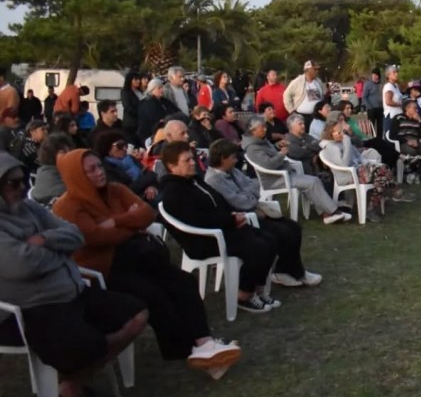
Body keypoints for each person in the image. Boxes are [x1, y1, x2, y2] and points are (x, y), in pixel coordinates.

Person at [52, 149, 241, 378]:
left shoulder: (116, 190)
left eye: (99, 166)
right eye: (90, 170)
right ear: (76, 175)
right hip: (105, 268)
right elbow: (95, 237)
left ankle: (204, 342)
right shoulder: (68, 206)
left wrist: (115, 221)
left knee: (183, 281)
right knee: (153, 294)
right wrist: (131, 227)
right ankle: (184, 349)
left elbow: (147, 213)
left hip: (139, 257)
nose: (99, 172)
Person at [0, 151, 149, 397]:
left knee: (136, 314)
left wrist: (44, 240)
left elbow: (75, 234)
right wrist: (59, 252)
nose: (22, 188)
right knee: (89, 344)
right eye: (13, 184)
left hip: (73, 290)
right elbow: (22, 265)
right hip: (32, 306)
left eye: (23, 180)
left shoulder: (30, 207)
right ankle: (72, 388)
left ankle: (71, 382)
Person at [159, 142, 281, 314]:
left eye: (192, 159)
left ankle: (257, 289)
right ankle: (243, 295)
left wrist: (232, 216)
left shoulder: (194, 181)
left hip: (223, 229)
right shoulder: (173, 191)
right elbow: (197, 219)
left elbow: (218, 202)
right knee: (256, 247)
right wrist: (230, 220)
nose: (193, 163)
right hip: (204, 240)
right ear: (172, 166)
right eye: (187, 161)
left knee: (269, 238)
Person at [205, 139, 323, 285]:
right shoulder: (214, 180)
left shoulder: (233, 171)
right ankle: (292, 272)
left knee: (293, 227)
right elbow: (240, 202)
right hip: (243, 218)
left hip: (255, 209)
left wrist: (247, 193)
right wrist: (249, 194)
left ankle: (287, 270)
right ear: (223, 158)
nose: (236, 161)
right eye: (233, 157)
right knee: (283, 232)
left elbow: (254, 184)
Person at [241, 117, 350, 225]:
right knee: (312, 182)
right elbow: (268, 165)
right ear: (253, 130)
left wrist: (277, 146)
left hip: (284, 174)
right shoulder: (253, 148)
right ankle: (332, 212)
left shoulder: (261, 142)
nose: (265, 129)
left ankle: (328, 213)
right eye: (262, 127)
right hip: (275, 178)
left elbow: (269, 153)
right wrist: (281, 154)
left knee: (313, 180)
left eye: (265, 126)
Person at [320, 120, 410, 222]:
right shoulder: (332, 147)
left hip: (359, 170)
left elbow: (359, 157)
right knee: (381, 171)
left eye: (342, 131)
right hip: (348, 175)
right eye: (338, 132)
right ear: (330, 134)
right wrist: (347, 143)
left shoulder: (342, 142)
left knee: (380, 177)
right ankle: (395, 191)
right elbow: (344, 164)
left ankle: (372, 209)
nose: (342, 134)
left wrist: (368, 164)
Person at [94, 130, 159, 203]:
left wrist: (152, 186)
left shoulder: (130, 158)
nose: (125, 149)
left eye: (125, 145)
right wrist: (146, 180)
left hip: (149, 194)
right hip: (132, 201)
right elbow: (124, 189)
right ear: (108, 149)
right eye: (120, 146)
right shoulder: (106, 168)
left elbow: (150, 174)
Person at [389, 99, 421, 184]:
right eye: (414, 108)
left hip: (416, 143)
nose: (417, 110)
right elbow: (392, 135)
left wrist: (420, 121)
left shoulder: (417, 119)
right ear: (407, 108)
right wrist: (407, 141)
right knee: (412, 152)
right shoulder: (398, 118)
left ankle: (416, 172)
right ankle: (410, 172)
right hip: (403, 143)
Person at [29, 133, 75, 206]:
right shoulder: (52, 179)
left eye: (70, 151)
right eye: (63, 152)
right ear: (50, 155)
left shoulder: (45, 172)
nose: (69, 155)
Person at [283, 60, 326, 131]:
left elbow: (322, 95)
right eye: (315, 69)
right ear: (308, 70)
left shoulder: (318, 81)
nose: (317, 71)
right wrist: (291, 110)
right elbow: (286, 95)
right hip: (303, 116)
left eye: (318, 69)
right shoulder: (297, 81)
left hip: (317, 116)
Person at [137, 78, 180, 145]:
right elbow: (151, 119)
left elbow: (176, 110)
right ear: (152, 90)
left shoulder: (164, 100)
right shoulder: (147, 103)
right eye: (159, 88)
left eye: (162, 87)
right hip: (151, 135)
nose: (162, 90)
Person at [120, 72, 144, 144]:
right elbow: (127, 106)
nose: (138, 81)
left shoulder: (139, 92)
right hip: (131, 123)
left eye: (139, 79)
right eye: (136, 79)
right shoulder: (126, 92)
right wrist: (139, 113)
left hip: (140, 123)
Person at [380, 65, 404, 135]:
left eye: (397, 72)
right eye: (394, 72)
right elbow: (388, 101)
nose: (396, 74)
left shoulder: (396, 86)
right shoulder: (388, 86)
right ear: (388, 75)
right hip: (391, 115)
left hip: (398, 114)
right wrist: (400, 104)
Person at [362, 69, 383, 135]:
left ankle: (379, 140)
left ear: (378, 76)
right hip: (371, 109)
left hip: (380, 108)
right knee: (371, 126)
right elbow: (364, 97)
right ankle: (371, 139)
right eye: (373, 75)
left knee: (380, 126)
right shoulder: (368, 84)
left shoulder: (381, 84)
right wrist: (369, 106)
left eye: (376, 75)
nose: (374, 76)